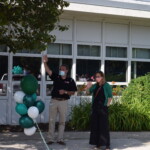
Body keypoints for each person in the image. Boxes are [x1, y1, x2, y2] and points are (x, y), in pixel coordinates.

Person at [43, 55, 77, 146]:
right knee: (51, 120)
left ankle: (60, 139)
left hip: (63, 102)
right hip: (54, 101)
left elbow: (73, 92)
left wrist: (65, 91)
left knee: (62, 121)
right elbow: (48, 71)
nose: (61, 71)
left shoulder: (70, 80)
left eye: (63, 69)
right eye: (60, 69)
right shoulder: (56, 77)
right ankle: (50, 139)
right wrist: (45, 62)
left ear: (67, 70)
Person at [85, 71, 112, 150]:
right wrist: (87, 87)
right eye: (96, 76)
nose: (97, 78)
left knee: (104, 126)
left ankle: (107, 145)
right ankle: (98, 144)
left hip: (103, 108)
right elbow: (87, 93)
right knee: (95, 126)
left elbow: (110, 97)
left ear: (102, 77)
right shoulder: (95, 86)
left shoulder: (106, 85)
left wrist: (107, 106)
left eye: (99, 76)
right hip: (95, 108)